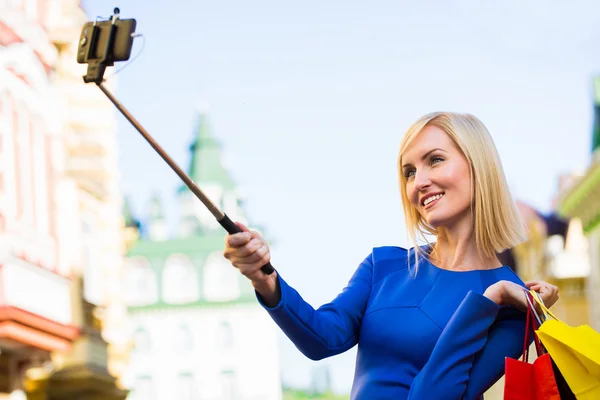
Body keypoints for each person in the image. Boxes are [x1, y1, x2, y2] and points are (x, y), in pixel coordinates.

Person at [224, 112, 559, 400]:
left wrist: (491, 298)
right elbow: (321, 339)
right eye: (409, 172)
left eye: (435, 160)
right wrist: (263, 277)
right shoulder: (382, 265)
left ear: (478, 166)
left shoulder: (511, 302)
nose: (419, 182)